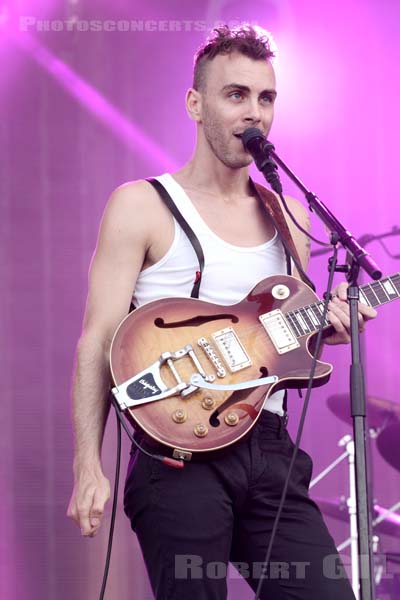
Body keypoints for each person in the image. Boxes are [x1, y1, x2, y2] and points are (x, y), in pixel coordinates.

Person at [67, 25, 377, 599]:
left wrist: (329, 328)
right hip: (179, 456)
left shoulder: (291, 216)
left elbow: (278, 339)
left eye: (265, 98)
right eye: (235, 95)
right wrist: (89, 464)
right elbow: (97, 341)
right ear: (195, 103)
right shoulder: (141, 204)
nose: (253, 113)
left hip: (271, 448)